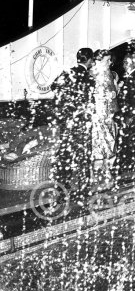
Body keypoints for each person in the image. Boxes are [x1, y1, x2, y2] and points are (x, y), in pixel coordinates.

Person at [50, 47, 95, 206]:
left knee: (65, 158)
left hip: (65, 123)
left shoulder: (66, 73)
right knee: (83, 159)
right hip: (80, 124)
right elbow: (90, 102)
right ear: (89, 60)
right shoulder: (88, 79)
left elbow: (53, 86)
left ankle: (60, 192)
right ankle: (83, 193)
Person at [114, 51, 135, 180]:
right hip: (126, 114)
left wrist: (131, 116)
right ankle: (126, 165)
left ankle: (126, 166)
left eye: (128, 62)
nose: (124, 64)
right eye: (124, 62)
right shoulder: (128, 76)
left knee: (128, 141)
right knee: (125, 141)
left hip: (131, 116)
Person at [90, 49, 119, 185]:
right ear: (99, 60)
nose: (110, 62)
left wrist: (114, 93)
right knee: (100, 142)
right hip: (98, 114)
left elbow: (111, 90)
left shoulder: (107, 73)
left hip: (108, 113)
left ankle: (107, 173)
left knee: (110, 140)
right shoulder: (93, 73)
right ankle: (98, 175)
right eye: (107, 60)